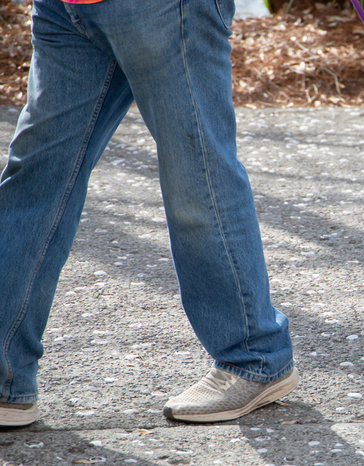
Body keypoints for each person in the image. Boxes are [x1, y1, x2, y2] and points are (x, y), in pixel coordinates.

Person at [0, 0, 298, 427]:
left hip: (163, 9)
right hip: (64, 9)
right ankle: (5, 379)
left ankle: (254, 358)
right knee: (34, 175)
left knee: (197, 177)